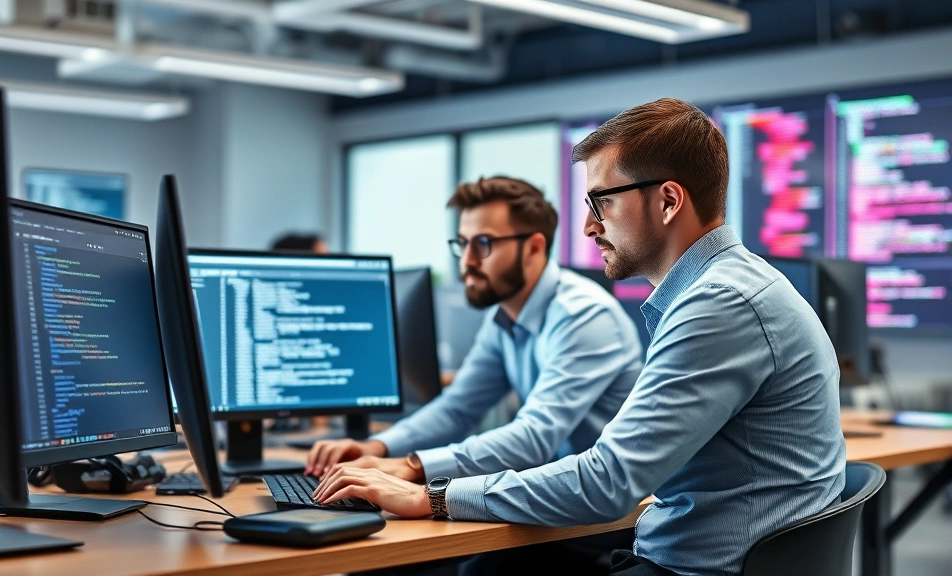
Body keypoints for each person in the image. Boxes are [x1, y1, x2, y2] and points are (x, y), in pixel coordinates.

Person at [313, 99, 847, 576]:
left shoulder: (719, 304)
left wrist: (430, 495)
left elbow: (608, 481)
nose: (590, 228)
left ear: (667, 202)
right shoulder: (720, 291)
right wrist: (393, 458)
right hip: (685, 551)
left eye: (602, 203)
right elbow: (463, 408)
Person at [306, 176, 644, 496]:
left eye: (483, 244)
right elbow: (458, 409)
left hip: (601, 514)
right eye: (463, 244)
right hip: (549, 495)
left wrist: (412, 466)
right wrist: (378, 446)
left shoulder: (583, 316)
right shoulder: (503, 317)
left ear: (534, 248)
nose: (466, 261)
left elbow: (534, 437)